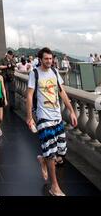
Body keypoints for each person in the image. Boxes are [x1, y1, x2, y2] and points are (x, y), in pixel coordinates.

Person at [26, 47, 77, 197]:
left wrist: (72, 111)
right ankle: (54, 187)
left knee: (61, 153)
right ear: (40, 59)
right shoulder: (34, 73)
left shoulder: (54, 72)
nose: (49, 61)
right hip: (43, 117)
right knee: (51, 154)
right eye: (46, 59)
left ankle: (42, 159)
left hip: (57, 116)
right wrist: (29, 117)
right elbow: (29, 96)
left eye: (51, 58)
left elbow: (62, 92)